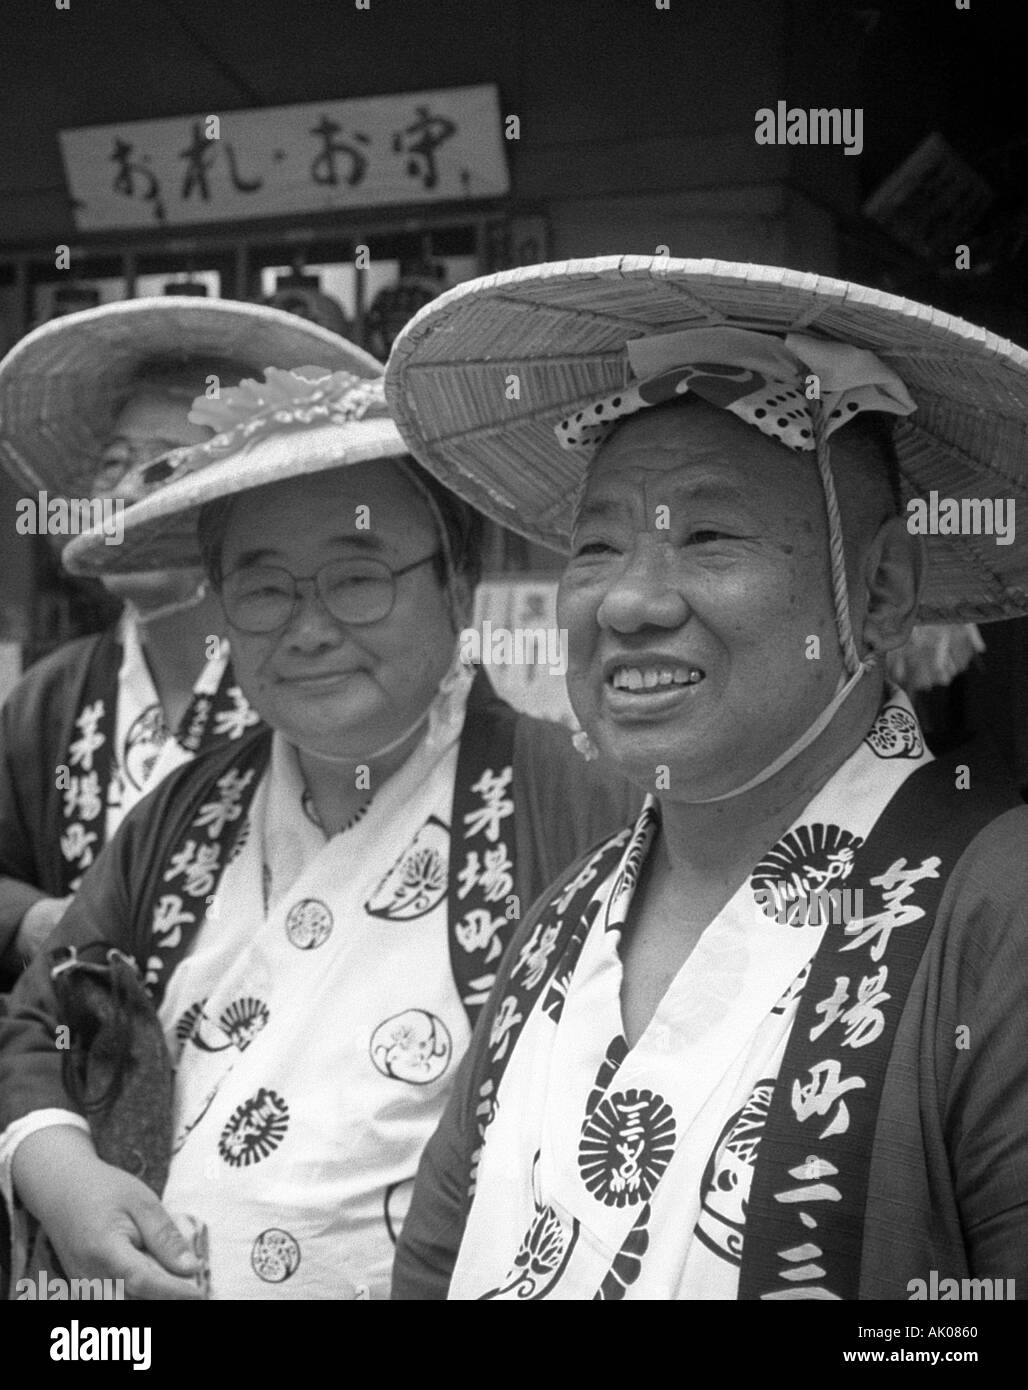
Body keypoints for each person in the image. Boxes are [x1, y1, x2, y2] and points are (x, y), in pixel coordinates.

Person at [384, 254, 1028, 1300]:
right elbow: (431, 1266)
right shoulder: (561, 923)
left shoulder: (996, 918)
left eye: (708, 534)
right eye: (596, 546)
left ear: (878, 589)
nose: (628, 602)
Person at [0, 364, 637, 1300]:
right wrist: (64, 1175)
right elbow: (41, 1021)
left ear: (459, 583)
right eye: (263, 591)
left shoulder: (583, 804)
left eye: (358, 577)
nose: (307, 630)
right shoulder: (177, 821)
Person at [0, 297, 370, 987]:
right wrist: (30, 921)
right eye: (113, 461)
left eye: (164, 463)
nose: (125, 489)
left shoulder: (315, 676)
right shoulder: (50, 699)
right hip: (74, 1062)